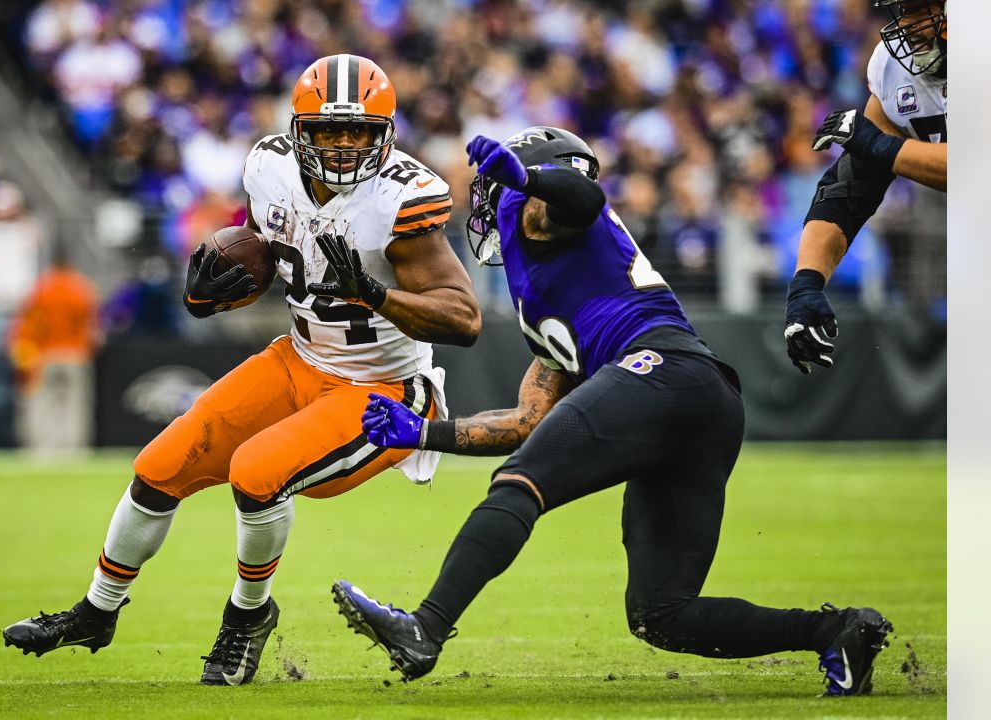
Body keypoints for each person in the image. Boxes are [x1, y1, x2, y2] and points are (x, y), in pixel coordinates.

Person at [333, 127, 892, 697]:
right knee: (662, 614)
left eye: (503, 186)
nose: (489, 202)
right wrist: (429, 433)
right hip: (704, 399)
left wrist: (525, 179)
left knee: (519, 485)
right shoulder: (545, 296)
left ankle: (424, 627)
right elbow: (526, 422)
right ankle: (837, 631)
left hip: (661, 368)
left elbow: (583, 201)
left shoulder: (555, 215)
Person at [2, 54, 481, 687]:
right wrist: (221, 287)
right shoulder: (269, 168)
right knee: (159, 466)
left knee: (256, 472)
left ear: (383, 133)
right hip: (300, 357)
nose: (342, 146)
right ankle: (97, 610)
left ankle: (246, 617)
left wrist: (373, 292)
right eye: (328, 131)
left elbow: (464, 318)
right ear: (298, 129)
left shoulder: (401, 198)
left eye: (357, 132)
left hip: (384, 388)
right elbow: (264, 248)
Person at [784, 0, 947, 373]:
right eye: (902, 12)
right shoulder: (892, 70)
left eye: (920, 11)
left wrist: (875, 143)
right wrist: (806, 284)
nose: (906, 25)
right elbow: (848, 189)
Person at [5, 245, 99, 455]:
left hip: (45, 355)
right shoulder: (81, 287)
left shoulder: (41, 287)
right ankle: (74, 449)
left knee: (42, 403)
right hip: (75, 354)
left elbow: (27, 323)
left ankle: (41, 449)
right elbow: (92, 326)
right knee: (75, 404)